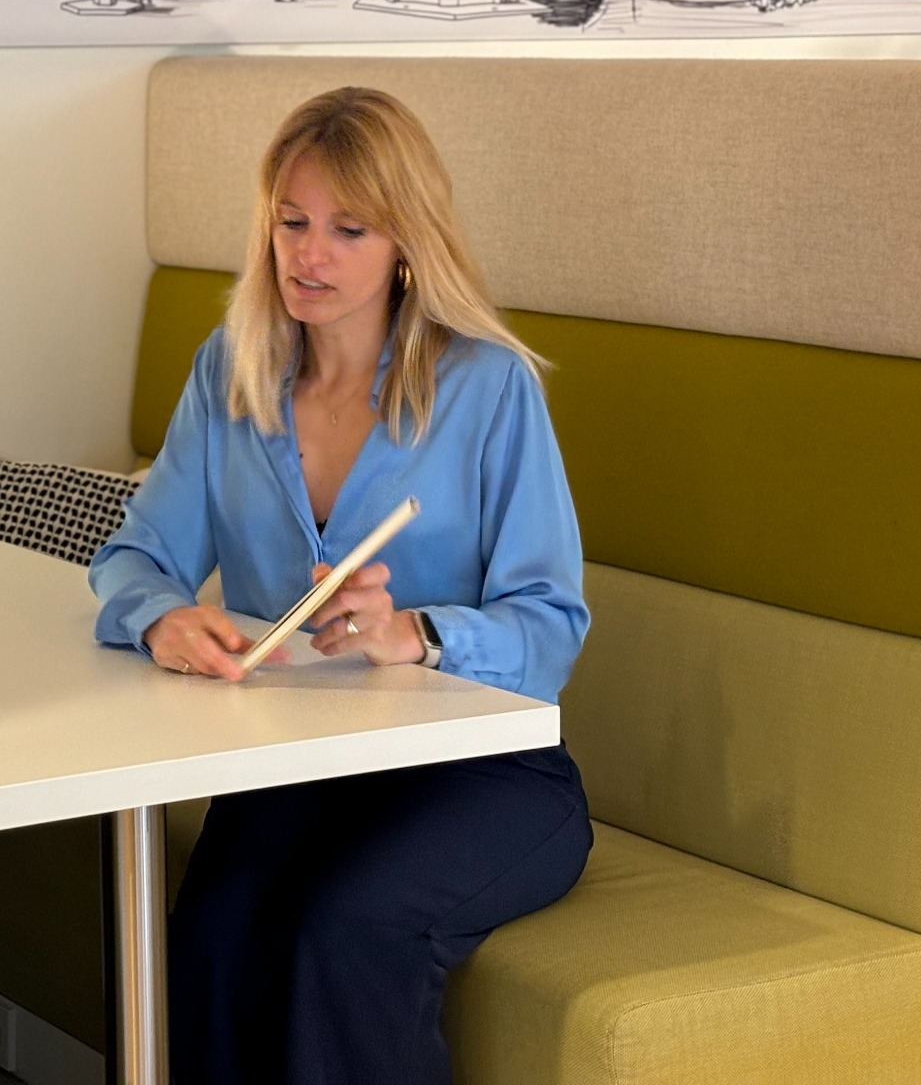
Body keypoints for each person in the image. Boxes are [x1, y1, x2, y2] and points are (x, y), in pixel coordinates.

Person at [88, 87, 592, 1085]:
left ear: (405, 240)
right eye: (291, 223)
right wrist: (161, 619)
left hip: (482, 777)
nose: (308, 255)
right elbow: (135, 556)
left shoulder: (488, 387)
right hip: (298, 771)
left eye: (347, 230)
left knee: (343, 930)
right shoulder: (229, 374)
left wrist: (417, 634)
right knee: (212, 939)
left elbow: (551, 626)